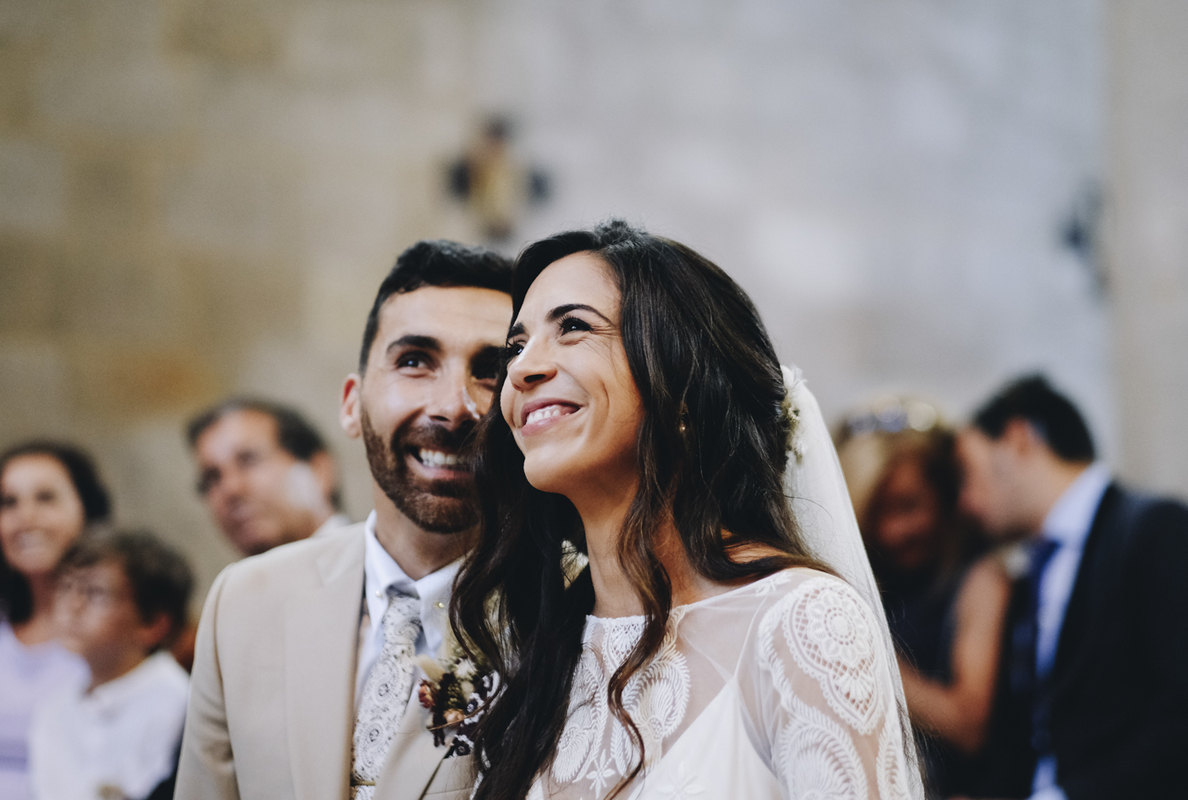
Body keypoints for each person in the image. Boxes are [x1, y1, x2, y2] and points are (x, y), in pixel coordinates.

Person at [451, 221, 924, 800]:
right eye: (516, 346)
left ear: (680, 382)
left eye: (573, 327)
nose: (522, 370)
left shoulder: (798, 623)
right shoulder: (542, 646)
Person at [175, 240, 513, 800]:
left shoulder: (567, 620)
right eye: (414, 361)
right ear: (352, 404)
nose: (454, 407)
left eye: (491, 371)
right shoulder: (244, 601)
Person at [956, 375, 1188, 799]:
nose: (965, 502)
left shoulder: (1156, 530)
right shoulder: (1029, 572)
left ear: (1017, 440)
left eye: (967, 472)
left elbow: (1187, 710)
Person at [836, 400, 1010, 798]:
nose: (893, 531)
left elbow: (968, 726)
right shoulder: (863, 579)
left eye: (908, 506)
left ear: (945, 496)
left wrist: (866, 655)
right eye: (876, 512)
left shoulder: (981, 580)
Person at [28, 529, 193, 800]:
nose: (73, 605)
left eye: (95, 593)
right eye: (65, 587)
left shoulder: (179, 705)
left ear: (153, 624)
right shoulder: (54, 708)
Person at [0, 442, 107, 800]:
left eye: (45, 498)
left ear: (87, 510)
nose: (25, 518)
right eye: (8, 502)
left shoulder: (117, 632)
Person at [187, 399, 350, 558]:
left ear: (318, 470)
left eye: (248, 460)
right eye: (212, 478)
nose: (231, 488)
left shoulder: (364, 562)